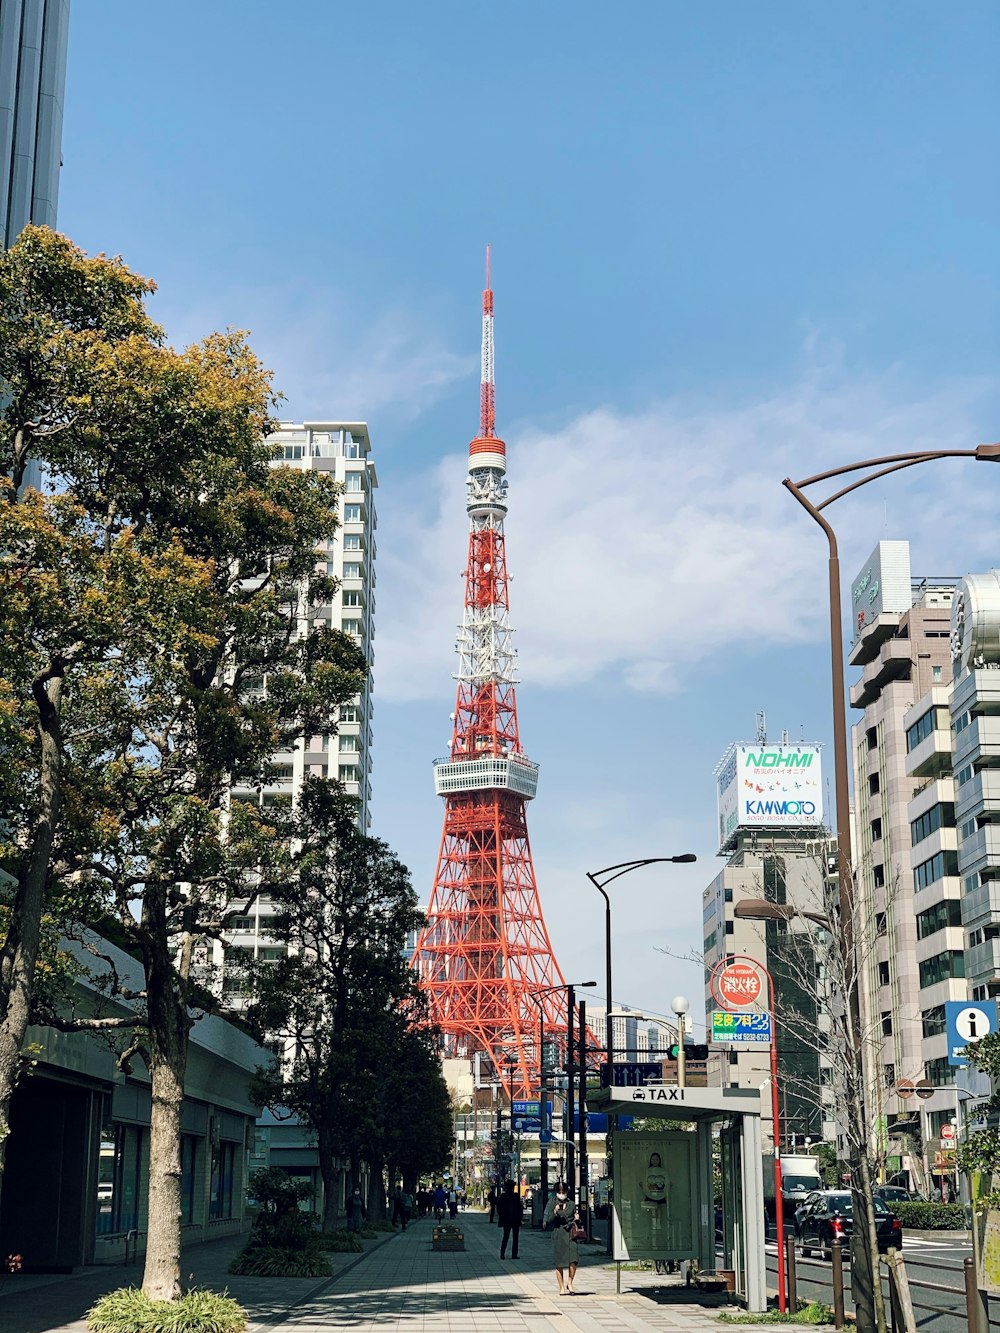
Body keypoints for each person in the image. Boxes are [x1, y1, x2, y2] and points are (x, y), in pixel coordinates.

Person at [549, 1196, 580, 1295]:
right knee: (559, 1262)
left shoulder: (571, 1204)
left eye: (564, 1192)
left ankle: (570, 1282)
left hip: (571, 1234)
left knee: (574, 1260)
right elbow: (549, 1221)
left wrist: (577, 1219)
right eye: (559, 1192)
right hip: (559, 1234)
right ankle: (561, 1287)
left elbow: (576, 1218)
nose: (561, 1194)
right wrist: (555, 1212)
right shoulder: (553, 1203)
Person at [497, 1179, 524, 1259]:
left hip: (506, 1219)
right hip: (515, 1219)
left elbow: (499, 1208)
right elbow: (520, 1208)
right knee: (515, 1238)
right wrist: (520, 1217)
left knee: (506, 1236)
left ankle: (502, 1254)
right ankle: (514, 1255)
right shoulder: (516, 1196)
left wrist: (502, 1216)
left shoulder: (503, 1196)